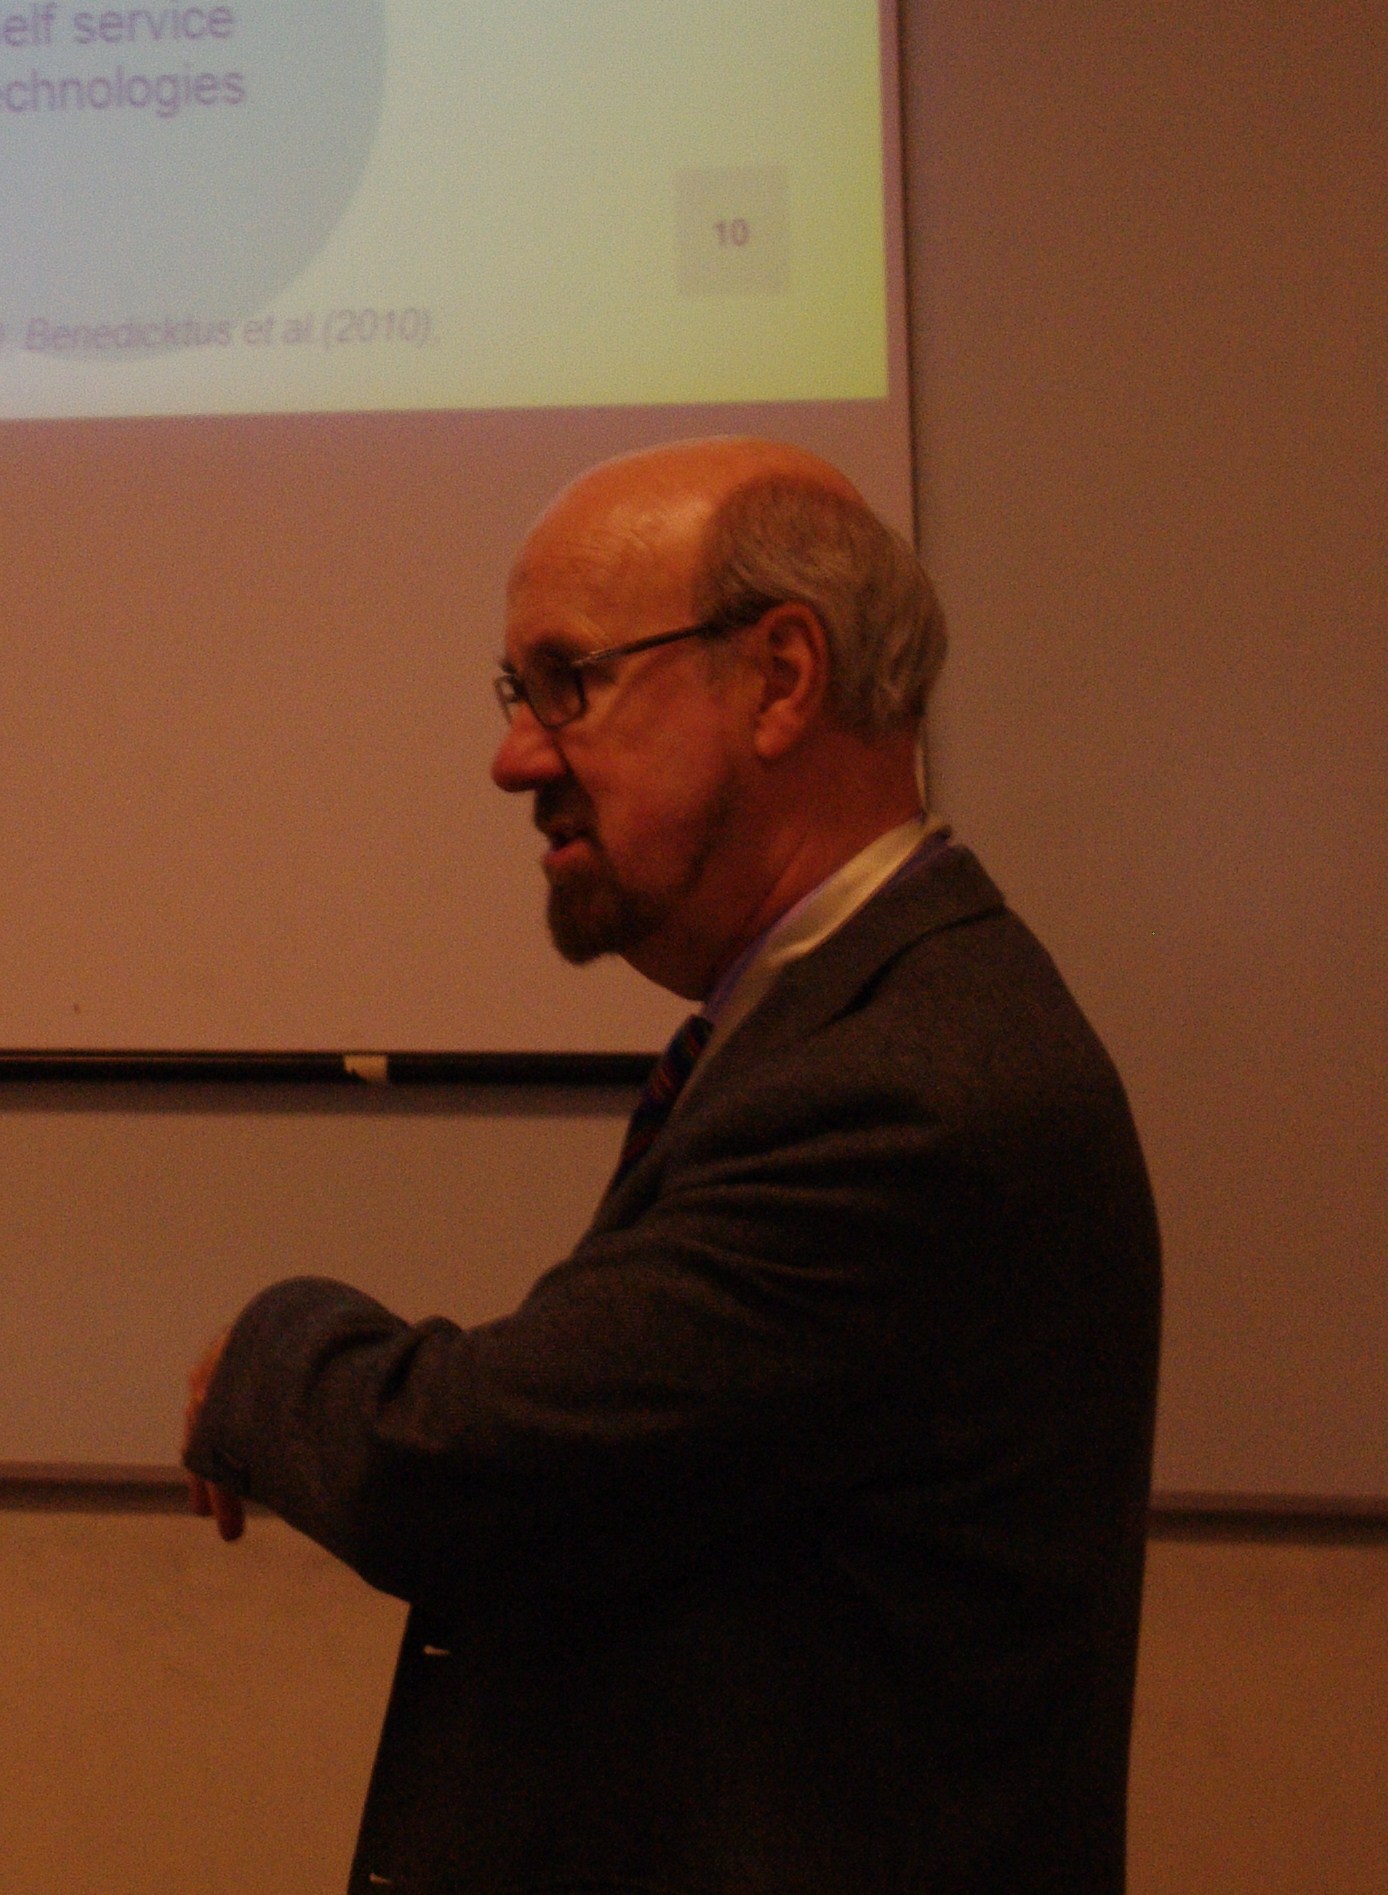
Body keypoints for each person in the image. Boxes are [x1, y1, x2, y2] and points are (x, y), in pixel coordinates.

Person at [184, 437, 1161, 1895]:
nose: (516, 757)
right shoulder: (858, 1020)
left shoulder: (902, 1088)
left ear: (782, 678)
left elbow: (478, 1468)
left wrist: (263, 1354)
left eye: (569, 683)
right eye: (518, 692)